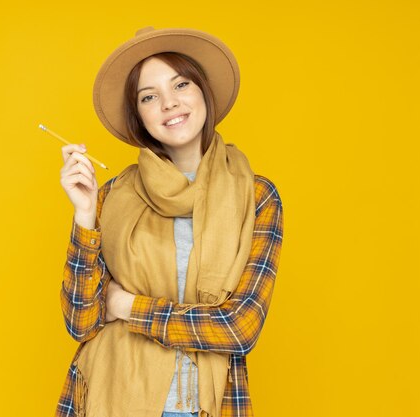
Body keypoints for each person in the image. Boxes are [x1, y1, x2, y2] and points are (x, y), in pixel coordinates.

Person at [55, 27, 284, 417]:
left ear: (203, 92)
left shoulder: (256, 196)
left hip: (206, 404)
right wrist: (84, 215)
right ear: (139, 116)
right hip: (110, 397)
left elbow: (238, 328)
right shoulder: (112, 195)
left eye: (181, 84)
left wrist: (126, 306)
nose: (169, 104)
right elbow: (81, 322)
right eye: (149, 96)